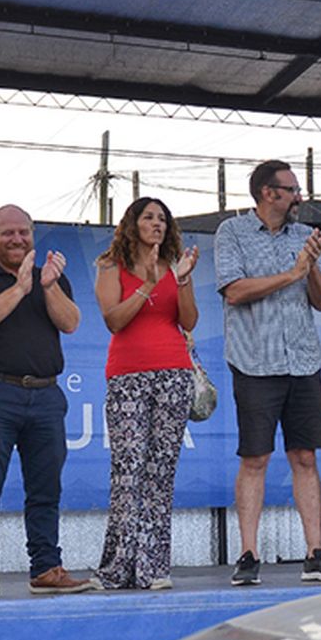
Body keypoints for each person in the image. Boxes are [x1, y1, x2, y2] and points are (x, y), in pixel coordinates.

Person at [215, 160, 321, 586]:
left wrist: (309, 267)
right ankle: (248, 554)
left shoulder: (305, 236)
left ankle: (316, 552)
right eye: (292, 189)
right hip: (255, 360)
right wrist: (290, 272)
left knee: (305, 457)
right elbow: (234, 291)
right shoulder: (231, 233)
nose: (299, 197)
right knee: (255, 458)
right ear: (268, 192)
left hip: (303, 360)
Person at [0, 205, 92, 598]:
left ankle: (46, 567)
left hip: (47, 394)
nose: (17, 240)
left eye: (23, 233)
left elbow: (70, 323)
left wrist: (48, 286)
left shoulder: (51, 278)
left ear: (33, 235)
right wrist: (19, 287)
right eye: (8, 233)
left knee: (46, 487)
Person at [94, 197, 198, 591]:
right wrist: (149, 285)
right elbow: (113, 320)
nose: (156, 223)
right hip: (127, 375)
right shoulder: (110, 265)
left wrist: (182, 280)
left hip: (174, 374)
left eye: (162, 218)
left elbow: (188, 321)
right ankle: (118, 568)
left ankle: (154, 566)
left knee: (160, 472)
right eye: (149, 217)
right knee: (128, 469)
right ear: (132, 223)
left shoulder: (175, 266)